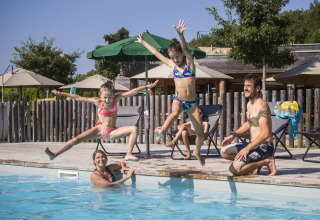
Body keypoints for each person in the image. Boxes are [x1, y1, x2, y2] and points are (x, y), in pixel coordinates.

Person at [136, 19, 205, 166]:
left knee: (200, 134)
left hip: (192, 103)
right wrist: (143, 42)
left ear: (182, 54)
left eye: (177, 56)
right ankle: (161, 131)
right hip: (178, 99)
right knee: (174, 113)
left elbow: (186, 48)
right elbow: (156, 52)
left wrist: (180, 35)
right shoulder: (172, 66)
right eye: (172, 57)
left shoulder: (190, 66)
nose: (175, 59)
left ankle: (197, 151)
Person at [45, 80, 158, 161]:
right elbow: (78, 97)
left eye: (109, 97)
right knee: (76, 139)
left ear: (113, 95)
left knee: (134, 128)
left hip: (112, 131)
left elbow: (132, 91)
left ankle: (128, 154)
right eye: (104, 97)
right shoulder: (97, 101)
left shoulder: (116, 98)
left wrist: (147, 86)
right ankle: (55, 154)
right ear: (100, 95)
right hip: (99, 130)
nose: (107, 100)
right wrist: (62, 93)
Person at [220, 74, 277, 176]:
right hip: (253, 145)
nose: (245, 88)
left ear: (257, 88)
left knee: (235, 170)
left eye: (249, 86)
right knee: (224, 151)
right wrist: (233, 135)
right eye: (245, 85)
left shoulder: (261, 105)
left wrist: (247, 148)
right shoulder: (249, 104)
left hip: (264, 147)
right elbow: (249, 123)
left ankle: (267, 161)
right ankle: (254, 164)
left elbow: (266, 134)